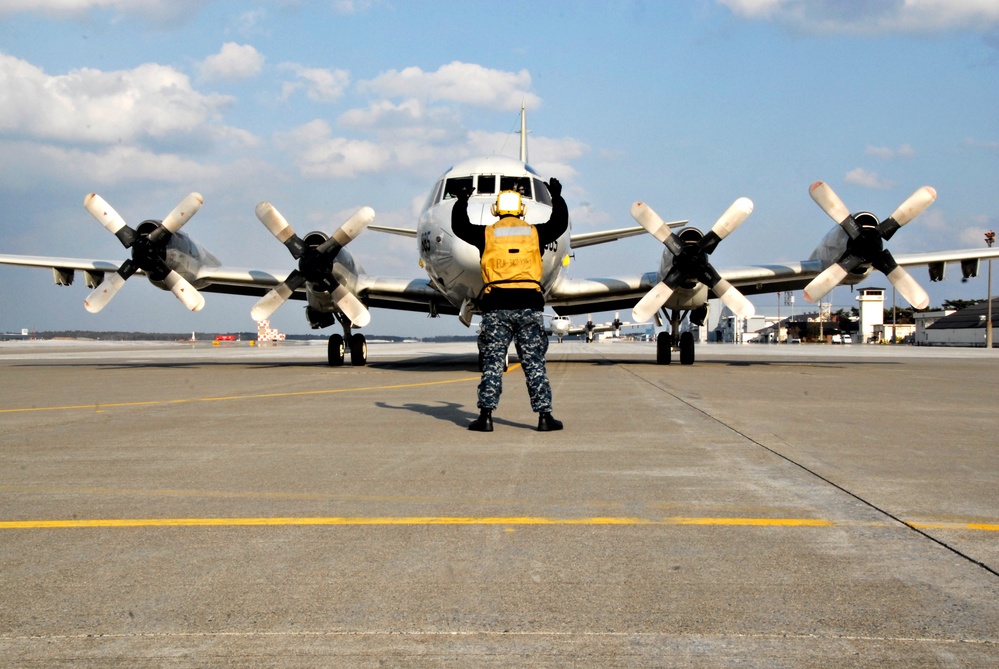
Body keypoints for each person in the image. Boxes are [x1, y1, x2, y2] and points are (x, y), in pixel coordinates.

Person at [451, 177, 569, 432]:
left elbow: (459, 226)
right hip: (529, 305)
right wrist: (556, 197)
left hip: (496, 306)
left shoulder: (487, 234)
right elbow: (559, 223)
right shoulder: (535, 233)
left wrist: (462, 199)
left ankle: (485, 418)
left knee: (493, 362)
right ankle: (544, 417)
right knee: (534, 363)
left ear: (496, 210)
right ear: (521, 209)